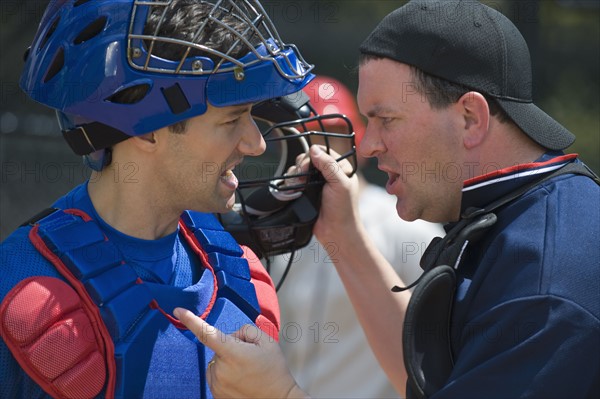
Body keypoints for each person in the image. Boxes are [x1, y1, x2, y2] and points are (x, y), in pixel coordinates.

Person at [173, 1, 600, 398]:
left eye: (386, 120)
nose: (370, 146)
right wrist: (341, 233)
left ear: (470, 118)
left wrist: (281, 393)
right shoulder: (526, 212)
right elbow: (430, 381)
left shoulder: (545, 283)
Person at [0, 0, 315, 398]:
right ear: (147, 130)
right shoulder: (18, 283)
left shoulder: (243, 282)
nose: (255, 144)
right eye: (232, 120)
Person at [271, 75, 445, 399]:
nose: (320, 147)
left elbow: (435, 356)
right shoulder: (280, 228)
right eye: (307, 134)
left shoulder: (408, 227)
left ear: (359, 141)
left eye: (333, 133)